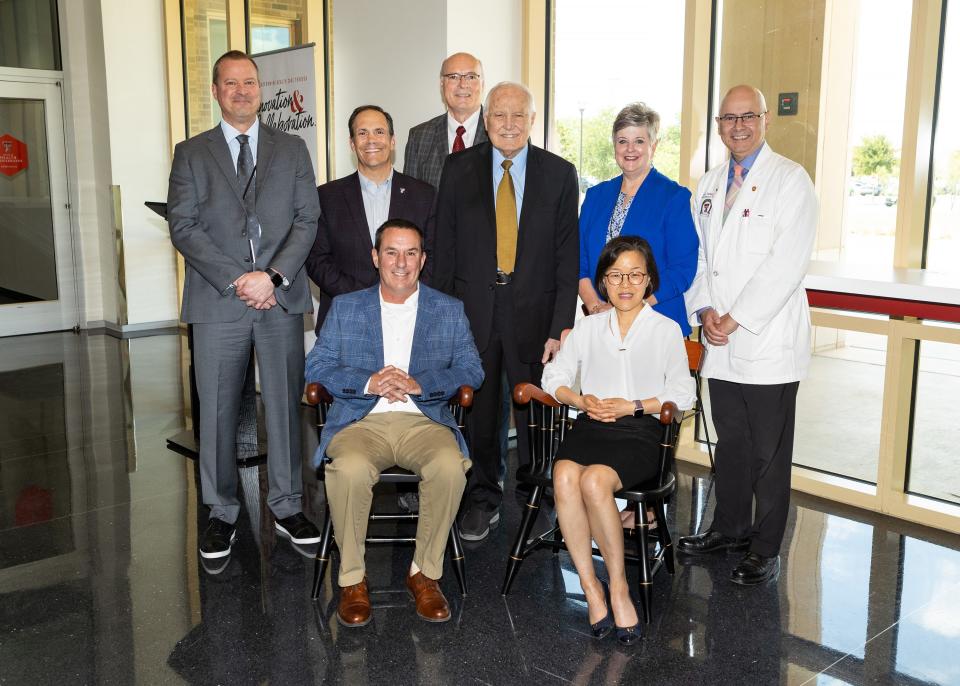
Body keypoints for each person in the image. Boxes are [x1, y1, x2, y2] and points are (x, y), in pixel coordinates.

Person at [167, 50, 322, 560]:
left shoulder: (293, 148)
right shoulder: (191, 153)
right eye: (230, 83)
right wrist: (240, 278)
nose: (241, 91)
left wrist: (272, 276)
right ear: (215, 91)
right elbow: (183, 226)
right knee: (216, 411)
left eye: (249, 83)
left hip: (279, 299)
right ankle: (221, 511)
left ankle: (287, 504)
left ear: (262, 90)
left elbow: (307, 219)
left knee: (282, 405)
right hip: (218, 302)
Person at [305, 219, 484, 627]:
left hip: (423, 420)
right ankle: (352, 580)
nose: (400, 263)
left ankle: (424, 573)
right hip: (360, 420)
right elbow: (316, 365)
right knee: (348, 468)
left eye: (410, 253)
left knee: (449, 467)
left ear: (422, 260)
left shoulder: (448, 309)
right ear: (375, 257)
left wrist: (424, 384)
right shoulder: (348, 307)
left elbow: (472, 369)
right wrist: (369, 381)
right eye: (391, 252)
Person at [678, 84, 817, 586]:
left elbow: (786, 264)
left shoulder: (790, 180)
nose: (738, 126)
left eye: (748, 117)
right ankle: (729, 527)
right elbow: (700, 260)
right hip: (721, 339)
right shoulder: (711, 183)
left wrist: (734, 318)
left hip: (766, 340)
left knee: (769, 453)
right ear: (718, 126)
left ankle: (765, 546)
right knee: (731, 442)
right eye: (728, 118)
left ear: (764, 120)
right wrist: (706, 311)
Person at [432, 81, 579, 542]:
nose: (509, 124)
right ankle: (481, 498)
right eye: (499, 115)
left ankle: (537, 498)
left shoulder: (559, 173)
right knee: (480, 413)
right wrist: (441, 322)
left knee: (534, 413)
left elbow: (566, 256)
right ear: (486, 118)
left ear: (533, 120)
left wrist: (561, 325)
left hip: (534, 315)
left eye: (519, 115)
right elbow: (444, 249)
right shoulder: (458, 168)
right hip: (472, 312)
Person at [543, 235, 695, 645]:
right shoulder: (588, 328)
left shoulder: (665, 330)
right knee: (563, 477)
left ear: (649, 281)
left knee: (593, 481)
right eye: (615, 275)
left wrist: (633, 406)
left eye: (635, 275)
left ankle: (619, 587)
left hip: (642, 431)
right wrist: (578, 399)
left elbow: (683, 393)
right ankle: (591, 588)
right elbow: (552, 377)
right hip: (592, 425)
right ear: (603, 282)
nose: (625, 284)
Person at [306, 105, 435, 333]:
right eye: (362, 133)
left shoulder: (424, 195)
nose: (371, 140)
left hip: (409, 320)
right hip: (345, 319)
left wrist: (402, 298)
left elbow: (434, 256)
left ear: (393, 140)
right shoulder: (326, 197)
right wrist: (365, 298)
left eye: (379, 132)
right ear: (352, 143)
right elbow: (317, 260)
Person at [577, 102, 699, 336]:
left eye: (639, 141)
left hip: (656, 322)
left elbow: (683, 269)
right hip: (601, 324)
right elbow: (579, 261)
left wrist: (630, 308)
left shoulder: (673, 198)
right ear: (614, 146)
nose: (630, 149)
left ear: (654, 145)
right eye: (622, 141)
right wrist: (597, 309)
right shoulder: (595, 197)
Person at [403, 52, 488, 190]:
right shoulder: (419, 137)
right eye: (453, 77)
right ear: (442, 84)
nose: (462, 84)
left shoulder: (502, 133)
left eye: (471, 77)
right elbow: (411, 201)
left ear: (482, 84)